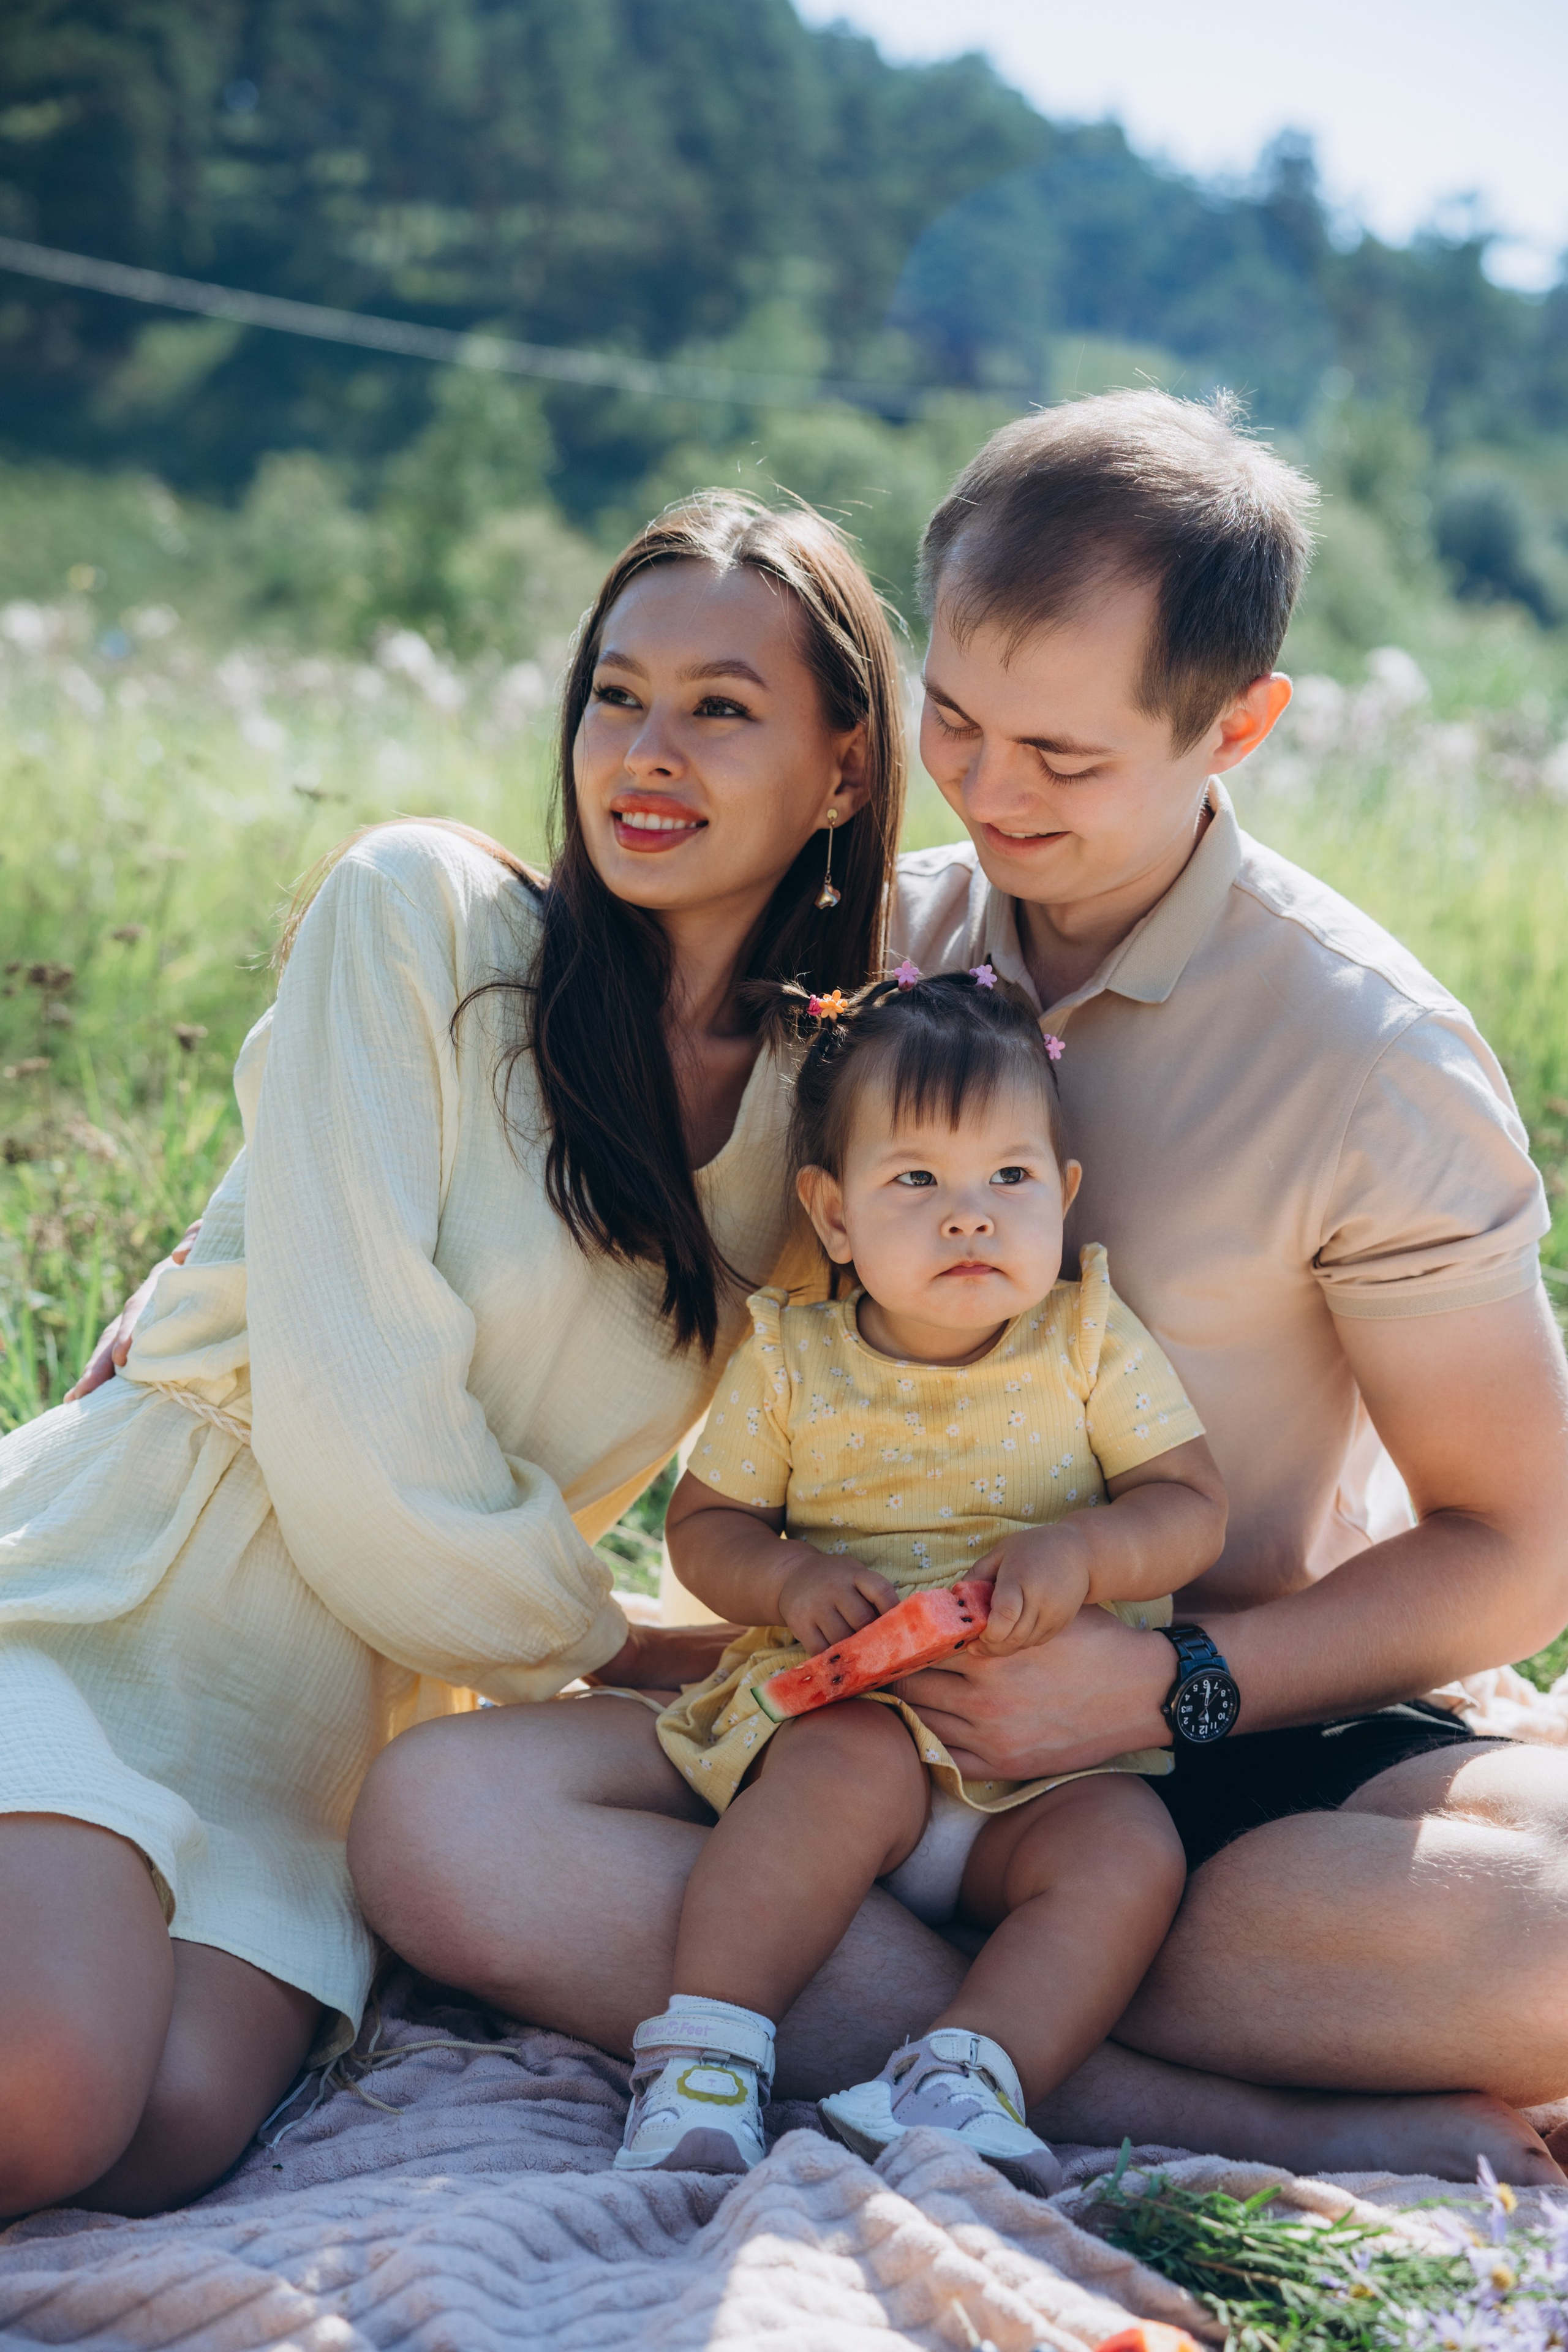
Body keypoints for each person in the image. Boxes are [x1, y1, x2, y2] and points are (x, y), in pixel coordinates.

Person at [352, 393, 1568, 2186]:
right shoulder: (871, 949)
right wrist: (246, 1276)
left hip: (1225, 1741)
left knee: (1544, 1924)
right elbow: (550, 1056)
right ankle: (1136, 2100)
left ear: (1238, 725)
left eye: (1065, 761)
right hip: (849, 1713)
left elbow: (1519, 1549)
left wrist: (1169, 1696)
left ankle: (918, 2025)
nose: (991, 798)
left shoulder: (1365, 1054)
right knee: (446, 1823)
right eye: (959, 723)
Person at [0, 489, 905, 2218]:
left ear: (846, 770)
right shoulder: (422, 917)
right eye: (615, 694)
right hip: (127, 1590)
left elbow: (882, 1430)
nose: (647, 750)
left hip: (342, 1740)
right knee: (49, 2079)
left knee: (168, 2127)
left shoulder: (819, 1128)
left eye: (722, 708)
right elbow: (362, 1440)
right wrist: (612, 1645)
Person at [615, 970, 1226, 2184]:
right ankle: (706, 2059)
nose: (969, 1217)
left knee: (1127, 1856)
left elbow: (1189, 1506)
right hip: (859, 1715)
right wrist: (787, 1583)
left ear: (1058, 1196)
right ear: (833, 1217)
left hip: (1050, 1761)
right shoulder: (793, 1358)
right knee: (823, 1784)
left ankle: (965, 2078)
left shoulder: (1086, 1336)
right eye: (915, 1182)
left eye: (1007, 1179)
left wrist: (1084, 1551)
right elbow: (705, 1526)